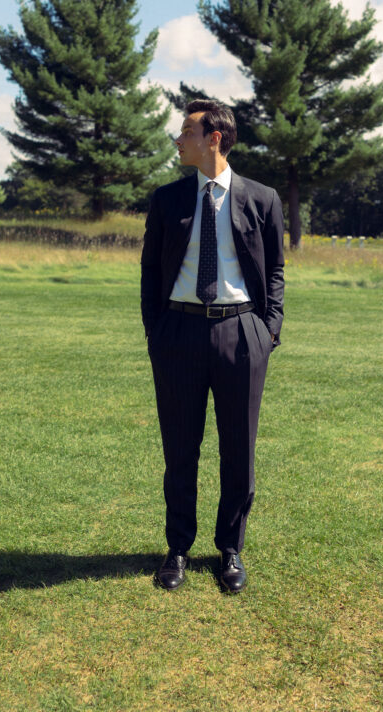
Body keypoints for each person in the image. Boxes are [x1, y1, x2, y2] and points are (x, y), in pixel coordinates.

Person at [141, 99, 285, 593]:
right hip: (178, 332)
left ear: (213, 138)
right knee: (180, 447)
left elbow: (276, 272)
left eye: (186, 131)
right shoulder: (167, 199)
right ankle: (177, 549)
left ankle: (231, 550)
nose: (177, 140)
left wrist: (268, 331)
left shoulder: (263, 199)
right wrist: (154, 334)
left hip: (242, 334)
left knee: (238, 448)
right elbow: (149, 272)